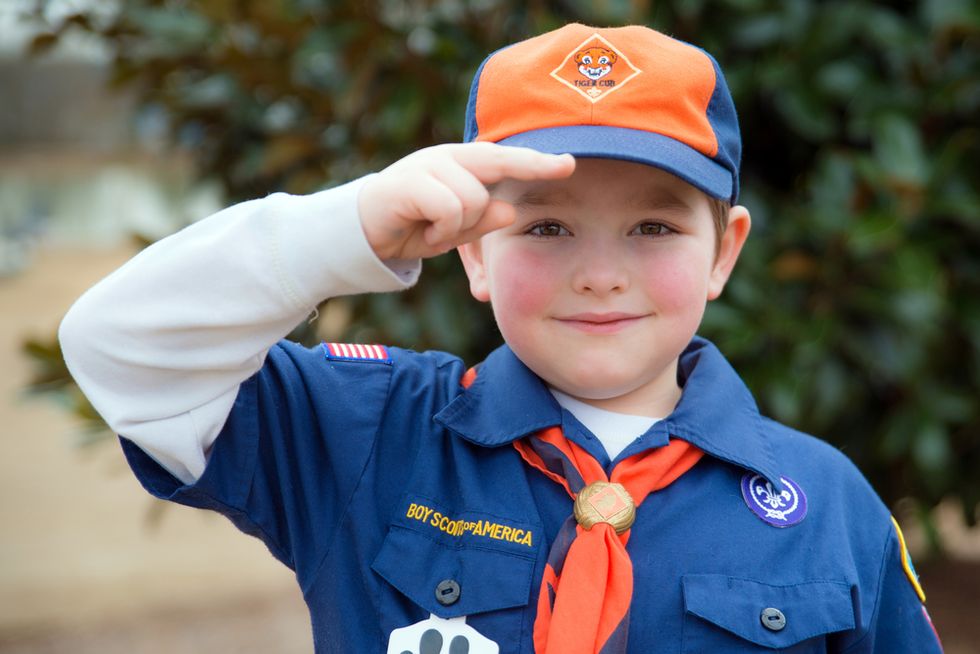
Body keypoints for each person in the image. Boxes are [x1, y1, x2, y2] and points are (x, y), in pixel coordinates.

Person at [59, 23, 943, 654]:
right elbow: (118, 348)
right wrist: (351, 226)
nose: (601, 274)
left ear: (726, 253)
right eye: (547, 229)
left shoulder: (826, 502)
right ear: (474, 255)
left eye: (655, 228)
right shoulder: (368, 434)